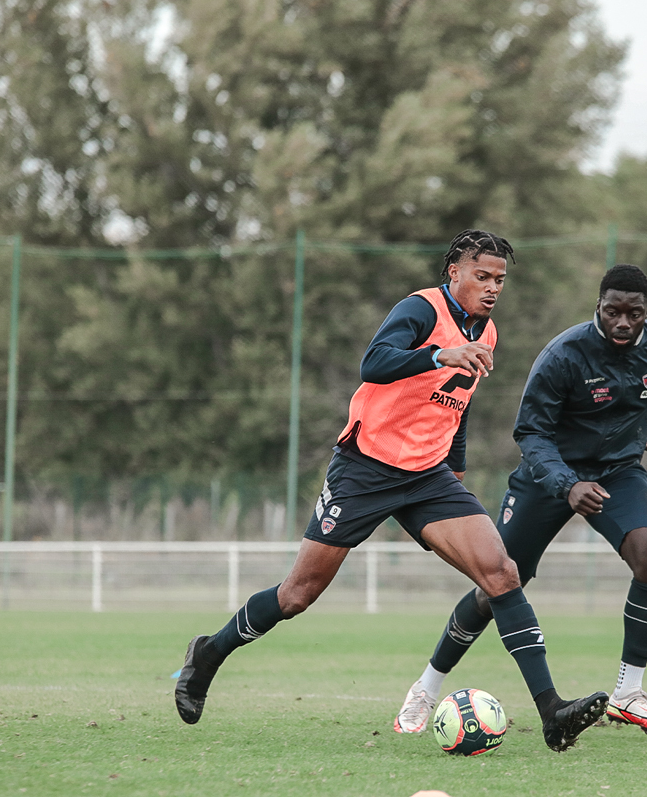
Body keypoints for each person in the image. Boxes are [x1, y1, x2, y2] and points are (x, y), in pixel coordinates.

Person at [175, 229, 609, 752]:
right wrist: (440, 354)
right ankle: (209, 654)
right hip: (365, 468)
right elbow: (374, 364)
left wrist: (456, 467)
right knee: (297, 595)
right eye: (482, 276)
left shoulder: (486, 332)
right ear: (455, 272)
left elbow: (459, 401)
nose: (493, 287)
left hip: (428, 477)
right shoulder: (421, 309)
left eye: (499, 279)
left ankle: (552, 711)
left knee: (502, 573)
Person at [394, 263, 647, 736]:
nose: (623, 322)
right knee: (497, 583)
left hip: (618, 473)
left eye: (634, 313)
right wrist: (567, 484)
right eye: (613, 312)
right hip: (546, 477)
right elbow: (530, 432)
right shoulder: (564, 354)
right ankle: (426, 686)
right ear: (598, 307)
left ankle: (629, 693)